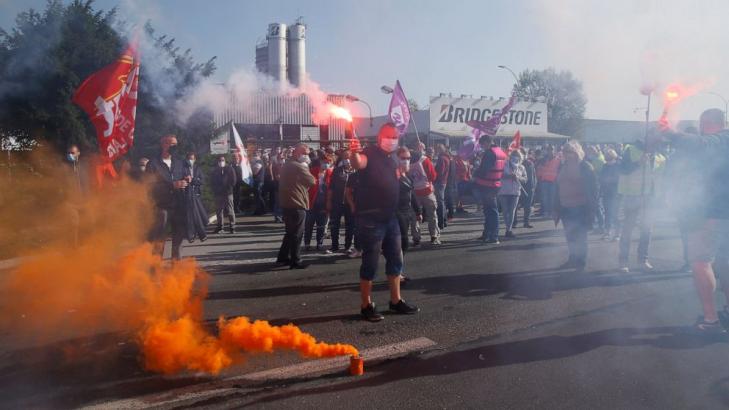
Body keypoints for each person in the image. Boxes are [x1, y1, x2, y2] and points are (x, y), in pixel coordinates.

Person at [660, 109, 729, 332]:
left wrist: (670, 132)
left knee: (701, 262)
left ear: (706, 123)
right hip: (721, 215)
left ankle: (711, 320)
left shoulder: (720, 140)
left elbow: (700, 144)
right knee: (726, 264)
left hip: (712, 215)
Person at [350, 123, 419, 322]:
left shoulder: (392, 159)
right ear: (381, 136)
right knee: (370, 263)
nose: (393, 140)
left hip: (391, 218)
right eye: (389, 136)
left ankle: (396, 300)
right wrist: (354, 153)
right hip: (371, 219)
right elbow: (358, 163)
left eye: (396, 137)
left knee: (396, 259)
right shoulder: (369, 152)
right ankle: (366, 305)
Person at [617, 139, 665, 273]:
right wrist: (638, 163)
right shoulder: (631, 150)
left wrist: (659, 197)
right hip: (633, 196)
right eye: (653, 138)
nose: (656, 142)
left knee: (647, 230)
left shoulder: (661, 158)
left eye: (657, 140)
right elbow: (622, 169)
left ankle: (642, 260)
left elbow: (659, 180)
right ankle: (623, 261)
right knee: (628, 229)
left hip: (650, 198)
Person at [553, 141, 598, 272]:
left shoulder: (585, 167)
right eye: (565, 152)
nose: (567, 155)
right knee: (570, 235)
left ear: (577, 152)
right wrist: (555, 207)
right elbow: (557, 187)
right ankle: (573, 259)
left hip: (580, 207)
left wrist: (592, 210)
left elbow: (594, 189)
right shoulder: (562, 166)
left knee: (580, 236)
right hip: (565, 207)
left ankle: (581, 262)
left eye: (570, 152)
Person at [145, 135, 188, 260]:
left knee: (178, 241)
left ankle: (176, 271)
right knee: (159, 241)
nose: (174, 147)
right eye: (171, 144)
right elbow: (150, 187)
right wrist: (172, 185)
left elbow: (185, 177)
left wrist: (187, 180)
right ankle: (155, 272)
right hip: (161, 207)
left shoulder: (179, 162)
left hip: (179, 205)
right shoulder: (153, 164)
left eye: (176, 144)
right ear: (163, 144)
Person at [277, 143, 316, 269]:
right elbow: (312, 181)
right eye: (305, 154)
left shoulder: (287, 164)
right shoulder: (299, 166)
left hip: (287, 202)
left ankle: (282, 257)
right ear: (298, 153)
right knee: (297, 233)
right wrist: (306, 168)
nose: (307, 157)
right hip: (297, 202)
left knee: (289, 232)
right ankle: (295, 260)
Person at [472, 134, 507, 244]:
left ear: (487, 142)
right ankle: (487, 234)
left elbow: (484, 171)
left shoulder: (490, 153)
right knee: (489, 211)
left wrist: (475, 172)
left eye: (482, 144)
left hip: (487, 185)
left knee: (491, 211)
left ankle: (494, 236)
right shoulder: (500, 151)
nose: (482, 147)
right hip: (495, 184)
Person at [409, 143, 441, 245]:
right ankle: (434, 236)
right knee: (432, 214)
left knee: (414, 216)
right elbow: (433, 176)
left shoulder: (407, 160)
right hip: (427, 190)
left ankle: (416, 237)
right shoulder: (425, 160)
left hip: (414, 192)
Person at [327, 150, 355, 253]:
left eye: (349, 157)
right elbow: (331, 187)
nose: (347, 159)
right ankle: (334, 246)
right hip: (337, 202)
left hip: (350, 203)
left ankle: (348, 246)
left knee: (350, 225)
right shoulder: (337, 171)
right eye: (345, 157)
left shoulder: (356, 172)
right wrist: (329, 201)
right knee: (335, 225)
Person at [395, 146, 421, 253]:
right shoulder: (393, 174)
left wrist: (418, 211)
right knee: (403, 242)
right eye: (403, 158)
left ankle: (398, 265)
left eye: (408, 158)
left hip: (407, 211)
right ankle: (396, 266)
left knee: (403, 243)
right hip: (396, 212)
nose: (406, 161)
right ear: (396, 158)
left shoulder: (408, 175)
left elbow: (412, 193)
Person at [304, 154, 333, 251]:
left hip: (324, 204)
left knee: (321, 226)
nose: (326, 164)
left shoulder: (330, 174)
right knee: (309, 225)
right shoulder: (312, 171)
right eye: (325, 162)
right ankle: (307, 244)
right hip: (311, 203)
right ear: (320, 161)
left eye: (329, 162)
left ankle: (319, 244)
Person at [498, 150, 527, 238]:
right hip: (503, 191)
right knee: (505, 211)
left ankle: (508, 230)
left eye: (517, 155)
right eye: (514, 155)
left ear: (520, 157)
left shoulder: (521, 167)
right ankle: (508, 227)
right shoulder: (504, 164)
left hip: (515, 192)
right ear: (510, 156)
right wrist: (508, 176)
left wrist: (518, 177)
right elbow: (499, 175)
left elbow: (525, 179)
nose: (515, 157)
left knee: (511, 211)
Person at [182, 151, 208, 242]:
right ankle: (195, 234)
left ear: (195, 159)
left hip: (196, 194)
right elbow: (180, 178)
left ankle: (197, 233)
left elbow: (202, 180)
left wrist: (193, 180)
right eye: (189, 158)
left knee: (196, 214)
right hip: (187, 195)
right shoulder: (183, 168)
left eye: (192, 159)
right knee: (191, 214)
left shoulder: (198, 168)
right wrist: (185, 179)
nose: (190, 160)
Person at [209, 155, 237, 234]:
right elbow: (212, 182)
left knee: (230, 210)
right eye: (220, 160)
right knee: (219, 211)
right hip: (218, 193)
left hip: (228, 193)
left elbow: (233, 180)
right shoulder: (215, 171)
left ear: (225, 161)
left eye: (223, 160)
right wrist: (215, 189)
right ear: (217, 162)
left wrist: (228, 188)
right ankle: (220, 227)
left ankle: (232, 227)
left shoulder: (230, 169)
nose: (221, 162)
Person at [600, 149, 621, 241]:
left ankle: (617, 233)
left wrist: (609, 180)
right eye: (606, 159)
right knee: (607, 213)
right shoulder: (605, 166)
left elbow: (618, 179)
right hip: (606, 193)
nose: (607, 161)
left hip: (616, 193)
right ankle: (607, 232)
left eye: (609, 158)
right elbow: (601, 177)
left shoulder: (618, 166)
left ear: (613, 158)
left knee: (616, 214)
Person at [536, 145, 560, 217]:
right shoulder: (543, 160)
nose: (550, 151)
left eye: (551, 149)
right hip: (544, 181)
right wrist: (539, 177)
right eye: (549, 150)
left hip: (553, 181)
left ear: (554, 150)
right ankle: (546, 211)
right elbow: (539, 169)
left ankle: (551, 211)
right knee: (545, 198)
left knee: (552, 197)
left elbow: (560, 170)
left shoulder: (558, 160)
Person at [515, 148, 536, 229]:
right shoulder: (517, 164)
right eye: (522, 153)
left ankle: (526, 222)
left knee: (528, 207)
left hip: (529, 187)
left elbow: (534, 176)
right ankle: (514, 222)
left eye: (524, 153)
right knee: (516, 206)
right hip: (520, 187)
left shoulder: (530, 163)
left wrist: (534, 186)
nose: (524, 155)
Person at [434, 144, 451, 230]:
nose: (436, 150)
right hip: (444, 181)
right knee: (442, 201)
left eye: (438, 149)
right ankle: (444, 220)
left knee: (440, 202)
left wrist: (435, 178)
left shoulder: (441, 158)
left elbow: (440, 171)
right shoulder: (447, 157)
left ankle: (441, 222)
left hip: (440, 182)